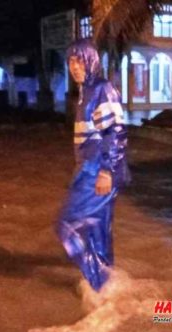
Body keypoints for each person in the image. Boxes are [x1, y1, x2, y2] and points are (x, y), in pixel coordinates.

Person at [55, 39, 131, 292]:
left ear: (91, 61)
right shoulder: (85, 92)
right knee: (98, 231)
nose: (74, 66)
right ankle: (111, 296)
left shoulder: (101, 89)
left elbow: (116, 132)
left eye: (79, 60)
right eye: (71, 61)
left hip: (97, 171)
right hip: (91, 170)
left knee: (66, 227)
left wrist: (106, 172)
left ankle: (100, 283)